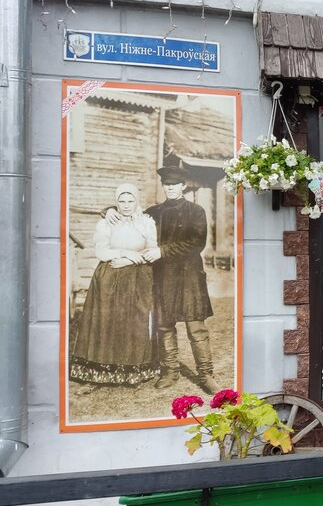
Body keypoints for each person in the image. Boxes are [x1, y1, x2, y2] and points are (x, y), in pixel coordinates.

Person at [70, 183, 159, 387]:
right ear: (116, 202)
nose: (126, 205)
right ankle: (103, 370)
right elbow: (102, 251)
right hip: (110, 276)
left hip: (138, 276)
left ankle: (132, 371)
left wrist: (129, 260)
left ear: (136, 201)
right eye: (122, 201)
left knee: (135, 321)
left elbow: (152, 250)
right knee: (107, 322)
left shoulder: (147, 222)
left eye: (130, 201)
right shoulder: (106, 223)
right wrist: (125, 253)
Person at [141, 165, 217, 393]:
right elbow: (130, 222)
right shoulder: (152, 213)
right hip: (162, 278)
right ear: (162, 185)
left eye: (175, 184)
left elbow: (196, 243)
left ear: (183, 186)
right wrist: (109, 212)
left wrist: (162, 251)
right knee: (164, 326)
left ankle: (206, 375)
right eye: (167, 184)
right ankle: (170, 370)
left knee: (196, 327)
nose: (170, 188)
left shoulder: (196, 211)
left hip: (189, 278)